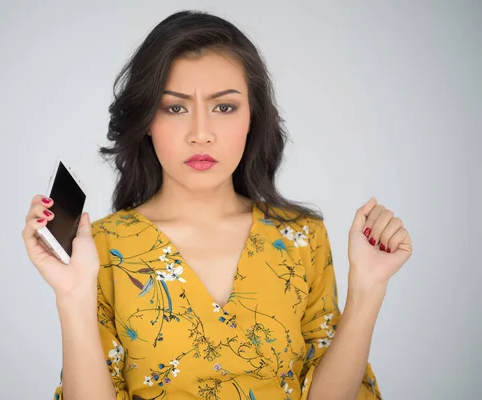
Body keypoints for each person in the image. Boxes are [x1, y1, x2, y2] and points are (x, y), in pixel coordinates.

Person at [22, 10, 412, 400]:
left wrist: (368, 287)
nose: (201, 134)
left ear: (252, 117)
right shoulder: (100, 249)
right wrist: (72, 296)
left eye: (223, 107)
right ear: (146, 121)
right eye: (175, 108)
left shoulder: (301, 237)